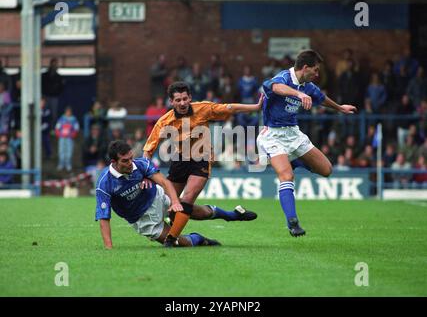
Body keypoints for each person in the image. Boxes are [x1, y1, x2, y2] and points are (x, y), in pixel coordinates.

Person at [143, 82, 261, 241]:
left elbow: (229, 108)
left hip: (201, 160)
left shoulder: (202, 108)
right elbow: (148, 150)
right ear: (171, 102)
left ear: (190, 97)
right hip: (179, 161)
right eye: (178, 100)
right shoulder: (165, 121)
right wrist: (145, 174)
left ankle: (171, 240)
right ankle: (230, 215)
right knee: (171, 209)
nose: (182, 103)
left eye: (185, 98)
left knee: (185, 201)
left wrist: (255, 107)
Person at [257, 49, 357, 237]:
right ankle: (292, 222)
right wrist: (299, 94)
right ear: (305, 68)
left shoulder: (308, 85)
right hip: (273, 135)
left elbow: (322, 99)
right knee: (286, 177)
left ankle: (293, 161)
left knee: (326, 170)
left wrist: (340, 108)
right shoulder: (284, 78)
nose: (317, 74)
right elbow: (275, 87)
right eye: (315, 70)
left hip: (294, 134)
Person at [96, 140, 257, 248]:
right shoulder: (104, 183)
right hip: (142, 219)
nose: (130, 163)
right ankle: (200, 238)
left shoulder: (140, 164)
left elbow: (165, 183)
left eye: (131, 158)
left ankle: (232, 215)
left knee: (195, 211)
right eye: (125, 161)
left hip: (157, 197)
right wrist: (109, 248)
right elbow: (104, 218)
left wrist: (174, 201)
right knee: (180, 244)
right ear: (114, 162)